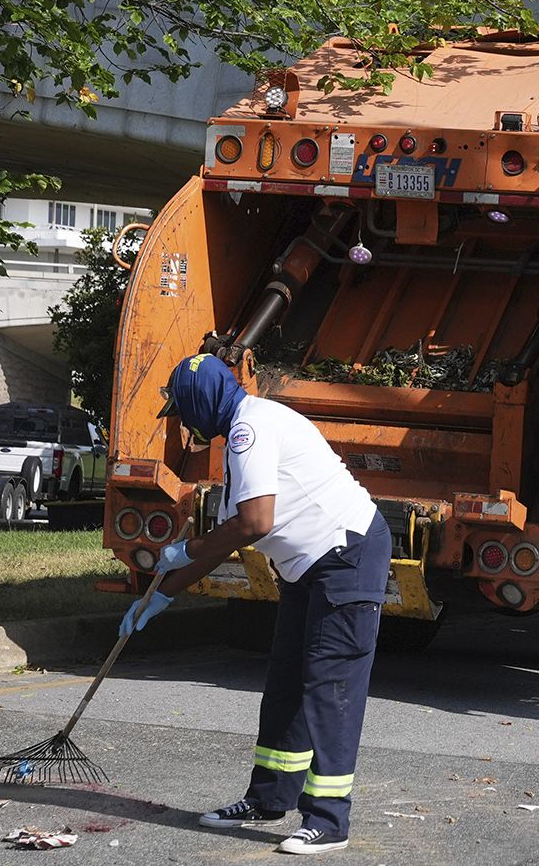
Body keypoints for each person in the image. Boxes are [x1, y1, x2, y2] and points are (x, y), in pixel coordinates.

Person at [120, 353, 387, 855]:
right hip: (309, 567)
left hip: (346, 553)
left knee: (329, 684)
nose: (184, 424)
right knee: (287, 677)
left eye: (183, 413)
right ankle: (268, 799)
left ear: (200, 405)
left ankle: (329, 820)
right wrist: (160, 598)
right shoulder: (243, 430)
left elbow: (255, 524)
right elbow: (229, 536)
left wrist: (186, 549)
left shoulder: (249, 431)